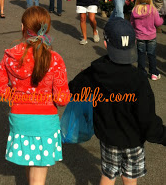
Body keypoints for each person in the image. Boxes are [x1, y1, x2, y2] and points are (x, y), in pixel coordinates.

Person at [69, 18, 166, 185]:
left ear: (106, 44)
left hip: (108, 138)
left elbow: (73, 88)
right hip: (133, 140)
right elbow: (146, 118)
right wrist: (162, 135)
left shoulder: (95, 72)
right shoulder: (139, 79)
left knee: (108, 175)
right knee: (130, 178)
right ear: (133, 44)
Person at [0, 6, 70, 185]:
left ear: (22, 27)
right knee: (38, 177)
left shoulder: (11, 56)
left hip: (20, 117)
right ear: (47, 29)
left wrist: (16, 96)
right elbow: (62, 98)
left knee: (30, 164)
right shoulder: (54, 59)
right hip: (45, 120)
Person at [130, 0, 163, 80]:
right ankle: (153, 73)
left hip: (139, 36)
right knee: (151, 54)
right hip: (151, 36)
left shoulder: (135, 10)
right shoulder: (153, 9)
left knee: (141, 54)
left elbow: (132, 24)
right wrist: (162, 19)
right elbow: (158, 23)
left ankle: (141, 72)